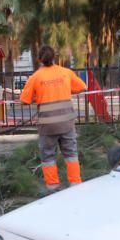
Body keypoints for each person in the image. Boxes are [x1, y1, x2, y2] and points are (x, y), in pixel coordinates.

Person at [20, 45, 87, 195]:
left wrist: (38, 96)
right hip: (67, 123)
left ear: (40, 59)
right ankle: (75, 184)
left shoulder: (36, 77)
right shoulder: (65, 73)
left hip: (47, 125)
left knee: (48, 156)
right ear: (54, 57)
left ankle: (53, 188)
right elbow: (82, 87)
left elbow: (24, 100)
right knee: (71, 154)